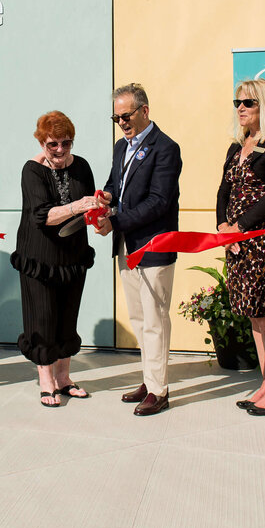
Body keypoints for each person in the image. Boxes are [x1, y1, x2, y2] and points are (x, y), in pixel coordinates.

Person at [95, 83, 182, 416]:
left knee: (155, 320)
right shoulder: (122, 147)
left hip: (154, 245)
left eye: (126, 116)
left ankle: (159, 391)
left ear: (145, 111)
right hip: (127, 247)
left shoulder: (166, 148)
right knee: (139, 317)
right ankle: (150, 378)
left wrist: (116, 222)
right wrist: (104, 197)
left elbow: (159, 202)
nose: (122, 123)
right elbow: (115, 186)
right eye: (116, 118)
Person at [11, 111, 100, 407]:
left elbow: (90, 206)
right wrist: (78, 205)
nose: (60, 150)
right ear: (42, 142)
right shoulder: (32, 170)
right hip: (40, 256)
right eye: (53, 144)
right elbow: (43, 216)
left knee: (67, 316)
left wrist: (100, 211)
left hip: (73, 255)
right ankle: (45, 380)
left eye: (66, 143)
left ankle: (64, 378)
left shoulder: (82, 166)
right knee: (43, 318)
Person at [216, 79, 265, 416]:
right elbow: (223, 191)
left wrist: (240, 228)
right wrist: (223, 227)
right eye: (238, 102)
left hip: (263, 241)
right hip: (237, 244)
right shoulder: (238, 146)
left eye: (249, 102)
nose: (241, 108)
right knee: (254, 315)